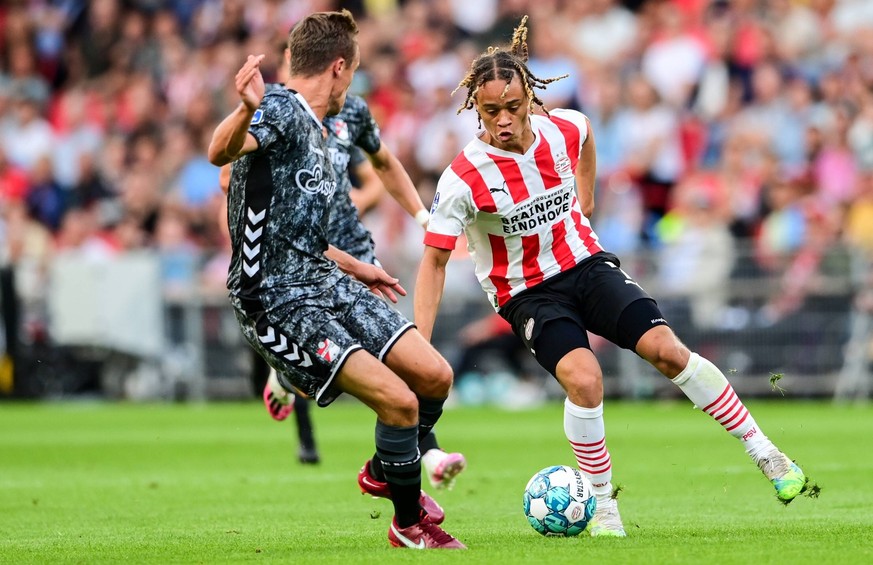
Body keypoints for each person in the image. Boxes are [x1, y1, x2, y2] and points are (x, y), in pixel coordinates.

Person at [414, 16, 809, 539]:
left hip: (585, 262)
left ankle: (768, 454)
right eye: (491, 112)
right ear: (476, 110)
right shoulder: (464, 177)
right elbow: (435, 261)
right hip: (528, 293)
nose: (504, 121)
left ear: (530, 96)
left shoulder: (566, 127)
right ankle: (604, 511)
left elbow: (587, 140)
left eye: (513, 107)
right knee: (584, 378)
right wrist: (420, 344)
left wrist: (587, 196)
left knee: (667, 349)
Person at [208, 10, 464, 549]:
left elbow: (297, 231)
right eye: (355, 72)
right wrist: (245, 109)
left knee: (434, 375)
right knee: (399, 402)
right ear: (339, 67)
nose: (355, 83)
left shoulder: (329, 128)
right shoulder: (278, 107)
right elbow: (219, 152)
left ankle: (383, 468)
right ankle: (408, 523)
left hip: (325, 275)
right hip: (274, 299)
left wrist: (357, 264)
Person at [253, 40, 468, 485]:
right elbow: (230, 172)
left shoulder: (351, 113)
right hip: (300, 259)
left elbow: (384, 163)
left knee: (398, 359)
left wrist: (422, 215)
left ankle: (418, 459)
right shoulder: (279, 113)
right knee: (361, 365)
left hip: (353, 246)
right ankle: (417, 459)